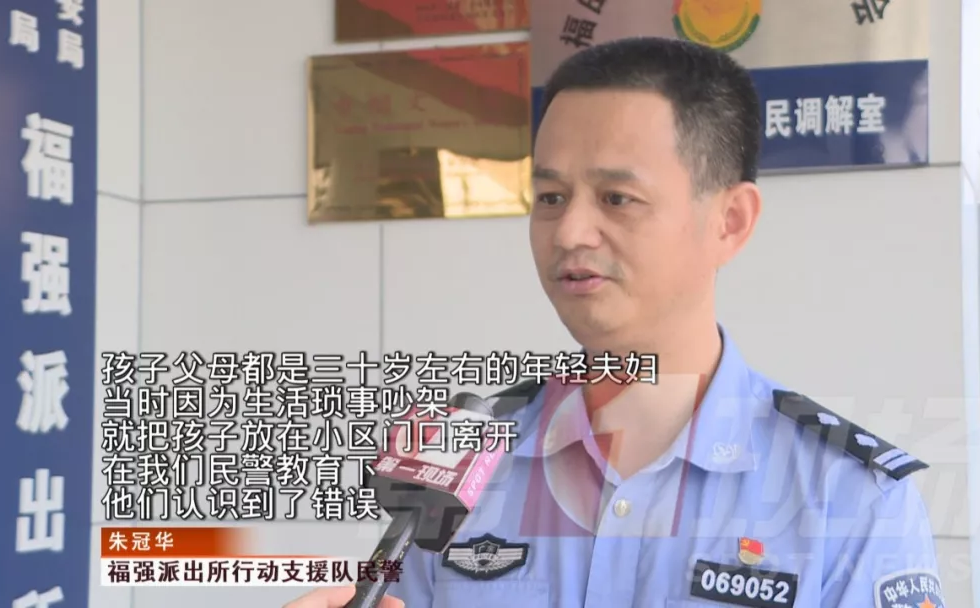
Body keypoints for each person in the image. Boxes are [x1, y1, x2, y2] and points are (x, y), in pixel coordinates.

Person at [286, 36, 943, 608]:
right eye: (550, 196)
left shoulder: (848, 499)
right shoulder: (459, 456)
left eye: (617, 198)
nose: (569, 231)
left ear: (730, 221)